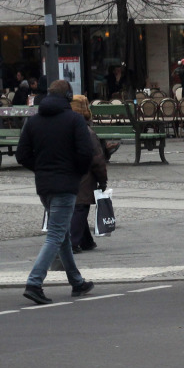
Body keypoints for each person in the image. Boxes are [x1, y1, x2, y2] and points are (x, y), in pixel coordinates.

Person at [14, 79, 96, 304]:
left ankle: (77, 282)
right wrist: (76, 173)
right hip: (66, 184)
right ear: (68, 97)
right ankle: (34, 282)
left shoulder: (33, 121)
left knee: (63, 235)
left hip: (44, 185)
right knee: (56, 235)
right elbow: (85, 153)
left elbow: (21, 155)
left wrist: (40, 168)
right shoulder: (74, 120)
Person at [68, 96, 108, 253]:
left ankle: (86, 241)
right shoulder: (87, 131)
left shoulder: (65, 127)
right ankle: (73, 241)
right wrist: (102, 180)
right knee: (80, 206)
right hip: (83, 175)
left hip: (66, 173)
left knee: (77, 205)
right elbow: (97, 160)